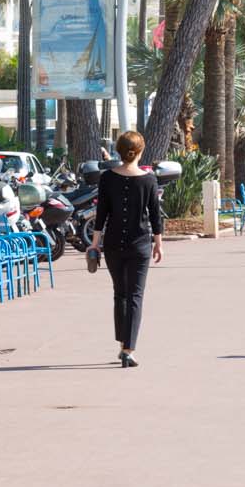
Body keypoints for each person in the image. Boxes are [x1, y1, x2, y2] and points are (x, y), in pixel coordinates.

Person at [87, 130, 165, 368]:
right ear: (140, 152)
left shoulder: (108, 178)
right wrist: (158, 243)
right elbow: (155, 216)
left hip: (112, 245)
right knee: (135, 296)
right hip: (140, 244)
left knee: (119, 293)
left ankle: (123, 344)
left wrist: (94, 242)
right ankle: (128, 349)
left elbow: (102, 214)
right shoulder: (149, 180)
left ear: (119, 151)